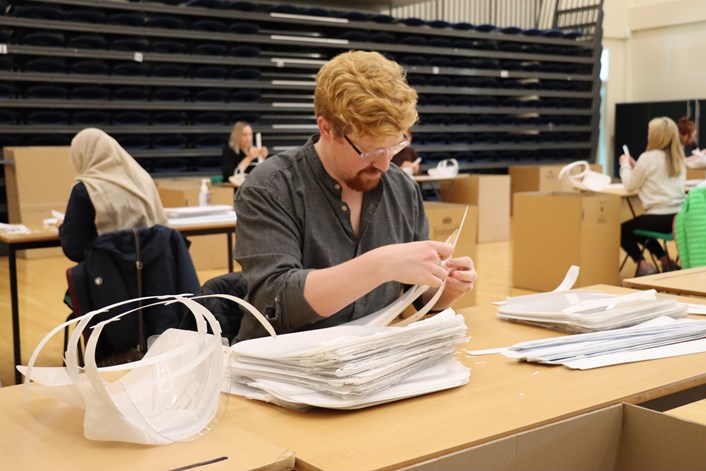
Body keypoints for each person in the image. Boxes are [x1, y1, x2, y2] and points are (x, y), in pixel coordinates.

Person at [233, 50, 477, 342]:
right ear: (326, 128)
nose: (385, 165)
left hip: (368, 365)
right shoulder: (270, 188)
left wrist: (444, 290)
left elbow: (416, 298)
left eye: (394, 148)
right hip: (281, 371)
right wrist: (379, 265)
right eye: (370, 151)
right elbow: (275, 302)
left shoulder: (402, 189)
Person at [59, 128, 168, 262]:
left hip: (108, 276)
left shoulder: (85, 189)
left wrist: (63, 228)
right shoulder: (144, 180)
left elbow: (74, 249)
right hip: (152, 271)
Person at [618, 117, 685, 276]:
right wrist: (638, 167)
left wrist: (625, 165)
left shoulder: (648, 158)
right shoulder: (678, 158)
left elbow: (629, 184)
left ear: (655, 136)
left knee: (623, 230)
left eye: (649, 133)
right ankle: (665, 260)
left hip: (657, 219)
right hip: (678, 219)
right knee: (640, 228)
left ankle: (643, 265)